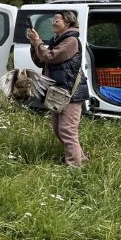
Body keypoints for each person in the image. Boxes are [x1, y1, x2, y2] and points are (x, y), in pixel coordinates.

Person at [27, 11, 89, 167]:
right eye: (53, 21)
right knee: (58, 130)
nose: (53, 24)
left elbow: (49, 57)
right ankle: (80, 160)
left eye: (56, 21)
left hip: (70, 92)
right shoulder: (58, 40)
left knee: (67, 130)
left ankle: (74, 167)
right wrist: (34, 44)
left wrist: (38, 41)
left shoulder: (71, 41)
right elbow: (42, 61)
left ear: (67, 23)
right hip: (58, 91)